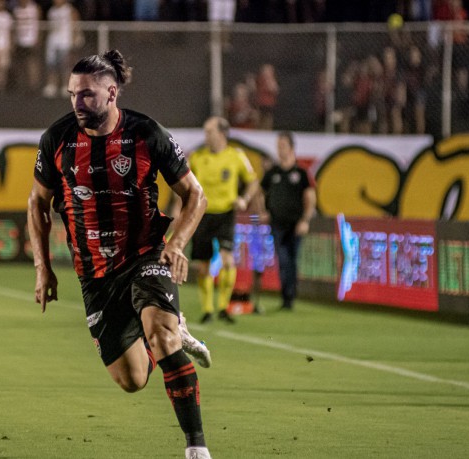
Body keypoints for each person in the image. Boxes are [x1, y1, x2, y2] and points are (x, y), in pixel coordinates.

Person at [27, 50, 213, 459]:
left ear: (112, 93)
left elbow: (195, 195)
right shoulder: (56, 139)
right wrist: (44, 269)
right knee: (131, 380)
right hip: (94, 272)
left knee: (162, 339)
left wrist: (176, 244)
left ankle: (196, 447)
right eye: (73, 94)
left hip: (146, 253)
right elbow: (37, 204)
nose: (78, 103)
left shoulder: (147, 133)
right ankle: (167, 331)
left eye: (87, 95)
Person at [189, 116, 259, 324]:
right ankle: (208, 309)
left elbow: (252, 181)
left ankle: (223, 307)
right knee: (203, 266)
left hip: (226, 213)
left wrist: (244, 199)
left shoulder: (236, 156)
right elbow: (184, 186)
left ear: (222, 133)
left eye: (209, 131)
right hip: (203, 214)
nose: (206, 136)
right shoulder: (197, 157)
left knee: (228, 260)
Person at [260, 131, 316, 310]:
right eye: (278, 146)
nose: (279, 150)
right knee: (283, 259)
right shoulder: (272, 173)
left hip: (295, 224)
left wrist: (305, 220)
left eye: (283, 146)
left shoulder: (301, 173)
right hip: (277, 223)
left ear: (291, 148)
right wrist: (263, 211)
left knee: (291, 259)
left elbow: (310, 198)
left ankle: (289, 295)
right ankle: (287, 296)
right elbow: (260, 192)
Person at [42, 0, 79, 98]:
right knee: (51, 64)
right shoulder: (51, 11)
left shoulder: (69, 10)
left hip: (65, 41)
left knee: (65, 65)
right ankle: (52, 85)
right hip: (53, 41)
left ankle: (65, 85)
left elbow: (75, 25)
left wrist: (74, 39)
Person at [12, 0, 42, 92]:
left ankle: (33, 86)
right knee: (20, 64)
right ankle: (21, 85)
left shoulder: (34, 8)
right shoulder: (16, 10)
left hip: (31, 40)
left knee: (32, 63)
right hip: (20, 41)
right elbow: (14, 26)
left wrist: (38, 38)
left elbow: (40, 23)